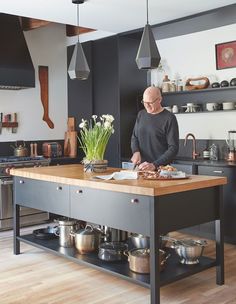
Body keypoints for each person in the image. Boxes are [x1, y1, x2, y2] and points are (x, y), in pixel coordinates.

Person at [131, 86, 179, 171]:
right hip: (141, 169)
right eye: (144, 102)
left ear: (159, 100)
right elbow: (134, 137)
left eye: (150, 103)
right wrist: (136, 151)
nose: (147, 106)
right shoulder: (141, 114)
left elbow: (173, 148)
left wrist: (154, 165)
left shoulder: (169, 118)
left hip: (161, 170)